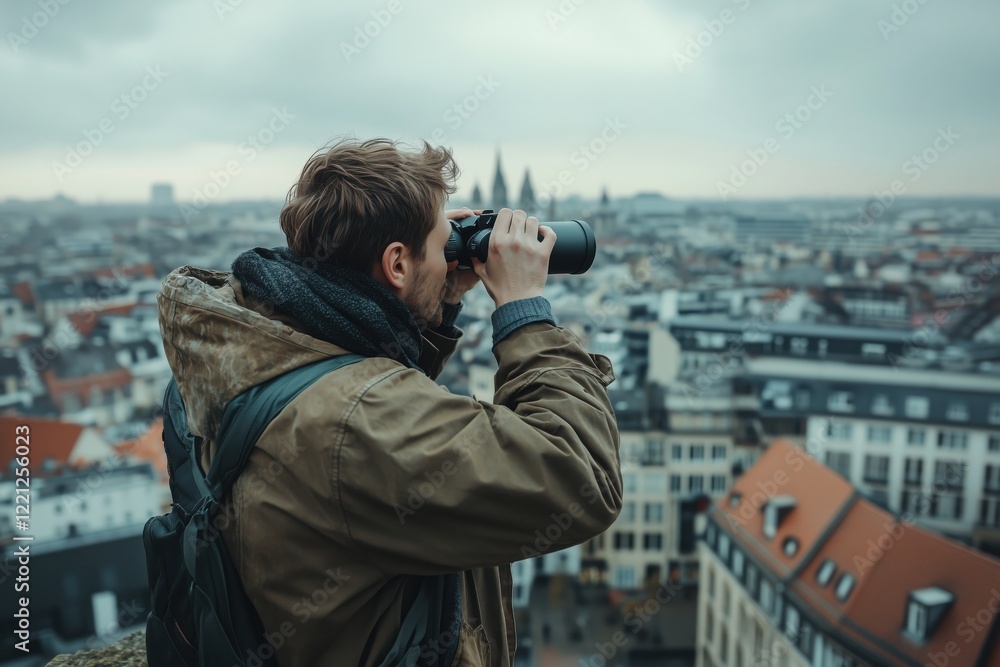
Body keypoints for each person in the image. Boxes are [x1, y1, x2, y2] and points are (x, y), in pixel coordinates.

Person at [156, 137, 622, 666]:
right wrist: (524, 311)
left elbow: (362, 384)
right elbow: (582, 479)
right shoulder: (354, 423)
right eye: (442, 244)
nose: (450, 258)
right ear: (396, 263)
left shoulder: (260, 342)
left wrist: (439, 296)